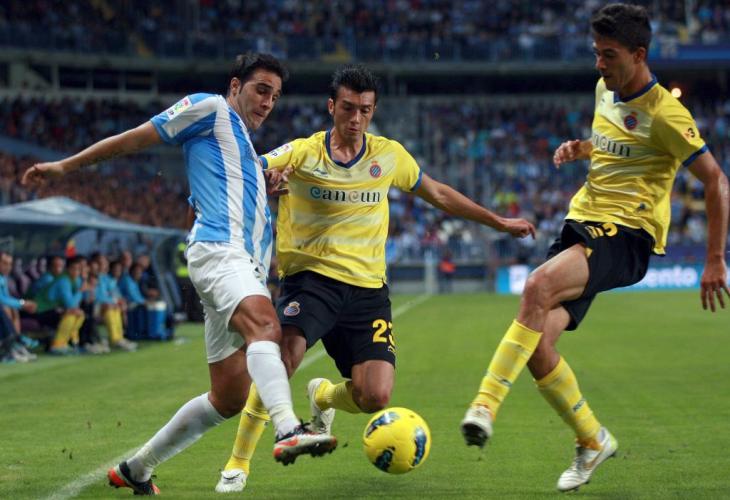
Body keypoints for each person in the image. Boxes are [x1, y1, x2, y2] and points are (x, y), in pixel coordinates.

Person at [22, 52, 337, 496]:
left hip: (238, 264)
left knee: (228, 398)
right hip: (220, 253)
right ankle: (288, 429)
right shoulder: (210, 108)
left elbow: (208, 199)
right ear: (235, 86)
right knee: (267, 327)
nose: (268, 102)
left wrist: (264, 188)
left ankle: (137, 467)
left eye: (275, 96)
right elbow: (135, 139)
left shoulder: (245, 151)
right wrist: (65, 167)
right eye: (261, 90)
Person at [214, 64, 536, 493]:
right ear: (331, 106)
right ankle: (237, 465)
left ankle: (323, 397)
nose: (356, 118)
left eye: (365, 110)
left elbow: (438, 193)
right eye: (348, 108)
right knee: (283, 356)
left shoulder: (389, 156)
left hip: (368, 292)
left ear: (373, 111)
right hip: (311, 281)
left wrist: (498, 221)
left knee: (374, 396)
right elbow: (250, 168)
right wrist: (267, 177)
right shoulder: (304, 152)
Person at [459, 3, 730, 493]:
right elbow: (612, 143)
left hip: (627, 234)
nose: (599, 64)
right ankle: (592, 439)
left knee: (536, 286)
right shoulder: (604, 89)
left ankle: (484, 406)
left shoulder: (667, 114)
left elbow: (716, 181)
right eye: (596, 53)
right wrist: (580, 148)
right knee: (538, 347)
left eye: (609, 55)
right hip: (581, 223)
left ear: (639, 55)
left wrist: (714, 259)